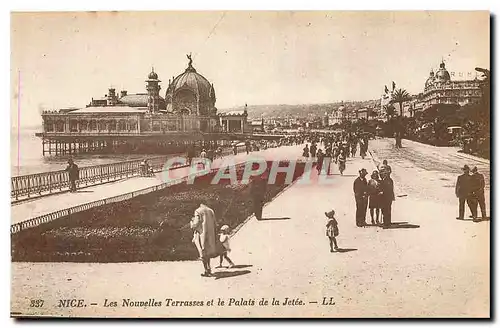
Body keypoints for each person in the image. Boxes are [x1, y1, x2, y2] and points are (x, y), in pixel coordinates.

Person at [190, 203, 218, 277]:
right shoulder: (211, 211)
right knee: (207, 252)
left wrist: (191, 223)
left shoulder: (198, 211)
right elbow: (215, 224)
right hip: (210, 235)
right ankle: (209, 269)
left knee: (202, 253)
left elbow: (195, 224)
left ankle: (206, 270)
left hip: (201, 234)